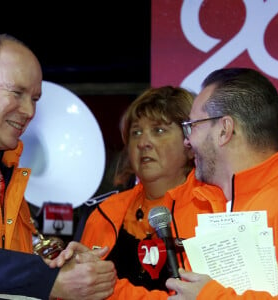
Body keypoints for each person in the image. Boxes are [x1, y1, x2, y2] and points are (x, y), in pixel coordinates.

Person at [0, 33, 116, 299]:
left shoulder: (9, 172)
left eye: (35, 99)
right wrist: (48, 278)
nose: (29, 111)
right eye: (17, 93)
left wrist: (62, 264)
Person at [80, 86, 226, 299]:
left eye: (158, 130)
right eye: (135, 132)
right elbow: (79, 290)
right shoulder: (104, 213)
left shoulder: (214, 208)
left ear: (189, 142)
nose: (143, 143)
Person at [166, 68, 278, 299]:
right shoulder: (214, 204)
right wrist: (108, 289)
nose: (187, 141)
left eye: (192, 126)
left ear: (224, 130)